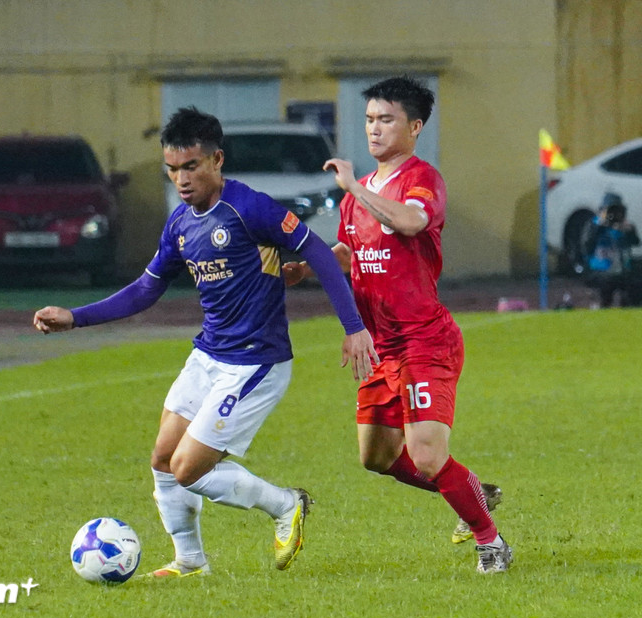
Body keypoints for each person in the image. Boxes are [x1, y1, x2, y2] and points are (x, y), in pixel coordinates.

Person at [33, 107, 378, 577]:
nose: (181, 179)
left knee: (187, 469)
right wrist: (76, 317)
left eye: (191, 166)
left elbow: (316, 250)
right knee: (162, 459)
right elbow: (146, 289)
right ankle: (191, 561)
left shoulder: (249, 207)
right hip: (209, 355)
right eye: (172, 169)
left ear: (217, 160)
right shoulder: (181, 224)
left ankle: (285, 504)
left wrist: (353, 327)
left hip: (256, 361)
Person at [282, 77, 512, 573]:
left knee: (426, 455)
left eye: (386, 119)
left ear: (415, 126)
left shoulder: (422, 179)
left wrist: (352, 187)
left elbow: (411, 222)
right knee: (377, 458)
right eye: (369, 119)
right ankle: (472, 490)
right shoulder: (359, 195)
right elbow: (351, 251)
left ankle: (491, 542)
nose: (374, 129)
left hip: (424, 341)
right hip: (380, 346)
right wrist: (309, 267)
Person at [583, 192, 641, 308]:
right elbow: (587, 244)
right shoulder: (594, 225)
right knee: (604, 293)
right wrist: (601, 225)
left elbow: (636, 241)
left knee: (629, 291)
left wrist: (627, 230)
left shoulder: (624, 226)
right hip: (600, 270)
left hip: (621, 270)